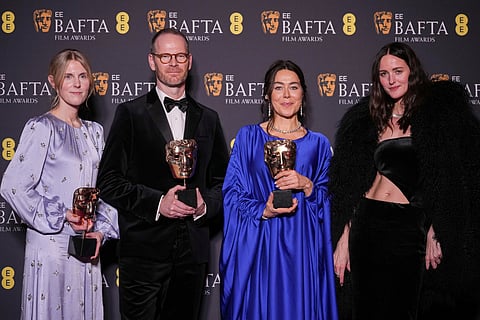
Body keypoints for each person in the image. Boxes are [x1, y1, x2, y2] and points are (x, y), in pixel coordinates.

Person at [328, 42, 480, 320]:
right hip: (366, 225)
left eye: (398, 71)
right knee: (365, 308)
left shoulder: (437, 115)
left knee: (404, 309)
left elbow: (451, 178)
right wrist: (345, 235)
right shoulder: (368, 118)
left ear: (413, 71)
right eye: (384, 74)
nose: (391, 80)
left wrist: (438, 228)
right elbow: (354, 183)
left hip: (408, 227)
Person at [96, 28, 229, 320]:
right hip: (143, 252)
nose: (173, 62)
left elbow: (223, 183)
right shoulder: (129, 114)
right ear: (152, 61)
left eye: (180, 55)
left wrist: (206, 205)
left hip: (192, 256)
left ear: (190, 61)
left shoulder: (209, 118)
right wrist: (158, 203)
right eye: (165, 55)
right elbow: (108, 181)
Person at [0, 49, 119, 319]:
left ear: (90, 81)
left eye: (82, 76)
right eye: (68, 76)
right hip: (51, 248)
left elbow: (106, 189)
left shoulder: (95, 132)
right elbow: (13, 186)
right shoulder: (41, 127)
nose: (77, 83)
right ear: (53, 81)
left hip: (86, 248)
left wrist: (100, 232)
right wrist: (64, 213)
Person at [220, 60, 338, 320]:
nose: (286, 95)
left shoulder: (319, 144)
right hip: (260, 245)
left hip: (303, 247)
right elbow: (232, 195)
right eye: (278, 88)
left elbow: (332, 200)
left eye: (293, 88)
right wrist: (263, 209)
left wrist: (307, 185)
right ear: (267, 94)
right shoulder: (248, 138)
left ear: (303, 94)